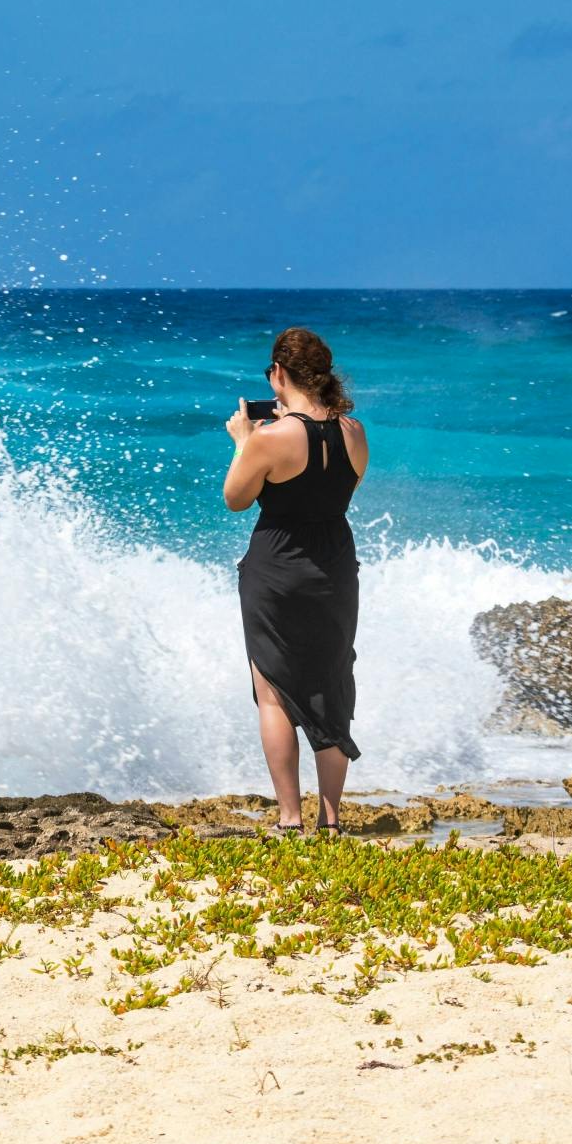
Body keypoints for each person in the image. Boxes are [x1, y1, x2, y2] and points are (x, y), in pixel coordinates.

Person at [222, 327, 368, 836]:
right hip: (334, 565)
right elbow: (337, 485)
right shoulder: (354, 431)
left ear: (279, 374)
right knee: (332, 683)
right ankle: (331, 820)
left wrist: (246, 441)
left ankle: (290, 819)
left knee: (274, 691)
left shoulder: (268, 438)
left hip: (278, 566)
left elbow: (236, 499)